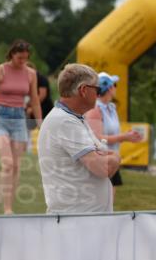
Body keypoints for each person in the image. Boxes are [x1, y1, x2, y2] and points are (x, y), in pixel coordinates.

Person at [37, 64, 119, 214]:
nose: (98, 95)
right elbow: (103, 168)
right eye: (97, 90)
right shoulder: (65, 121)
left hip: (82, 219)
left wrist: (107, 158)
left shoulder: (73, 118)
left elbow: (102, 162)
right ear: (83, 90)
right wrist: (116, 158)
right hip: (77, 222)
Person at [0, 40, 44, 214]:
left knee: (15, 166)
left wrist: (40, 123)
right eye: (19, 58)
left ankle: (8, 208)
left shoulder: (30, 74)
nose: (22, 61)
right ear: (12, 54)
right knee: (7, 163)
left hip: (19, 119)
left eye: (25, 58)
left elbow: (35, 100)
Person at [85, 72, 142, 204]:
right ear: (109, 88)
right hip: (101, 160)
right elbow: (97, 138)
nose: (116, 88)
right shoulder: (95, 109)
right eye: (114, 85)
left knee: (109, 203)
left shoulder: (111, 108)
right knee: (101, 203)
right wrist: (124, 137)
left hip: (112, 158)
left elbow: (111, 133)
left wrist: (127, 135)